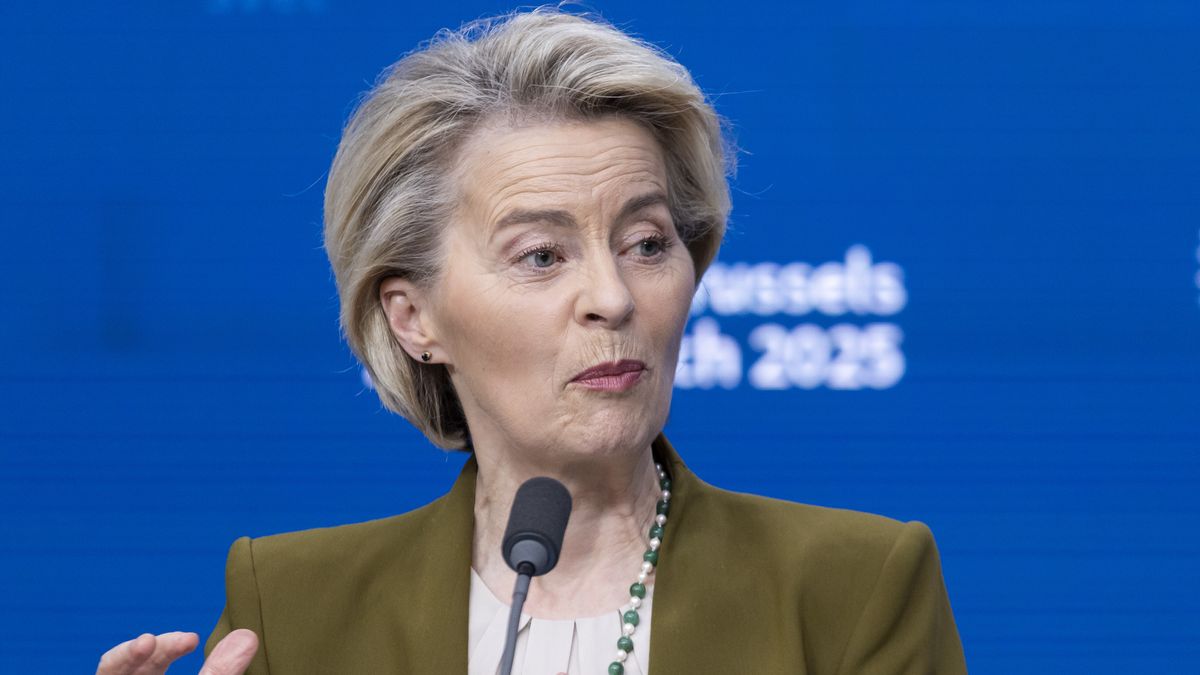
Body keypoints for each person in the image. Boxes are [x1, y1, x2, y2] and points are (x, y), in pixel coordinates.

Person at [96, 8, 967, 675]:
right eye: (541, 254)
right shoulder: (291, 607)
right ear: (414, 317)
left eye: (648, 243)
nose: (613, 296)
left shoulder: (855, 589)